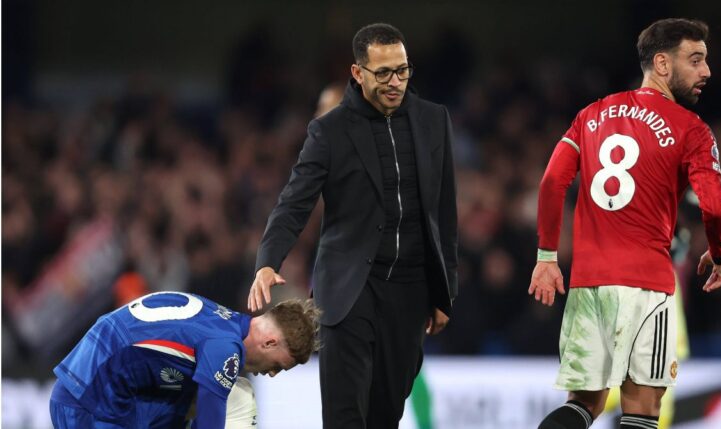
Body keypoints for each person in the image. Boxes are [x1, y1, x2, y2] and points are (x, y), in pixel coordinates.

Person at [247, 22, 458, 428]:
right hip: (348, 291)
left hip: (411, 291)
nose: (395, 81)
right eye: (383, 73)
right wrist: (268, 259)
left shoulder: (435, 120)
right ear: (358, 73)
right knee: (346, 415)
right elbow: (294, 202)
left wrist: (443, 288)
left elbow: (444, 212)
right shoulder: (328, 130)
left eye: (402, 70)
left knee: (386, 413)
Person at [528, 18, 721, 429]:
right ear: (661, 63)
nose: (706, 72)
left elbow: (552, 181)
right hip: (648, 285)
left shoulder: (590, 115)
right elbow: (714, 205)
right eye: (695, 60)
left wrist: (547, 256)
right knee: (642, 410)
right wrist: (718, 251)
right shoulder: (691, 129)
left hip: (589, 284)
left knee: (583, 405)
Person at [49, 292, 320, 428]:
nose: (272, 374)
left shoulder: (221, 321)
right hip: (89, 399)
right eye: (278, 366)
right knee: (234, 399)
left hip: (108, 391)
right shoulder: (225, 349)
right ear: (270, 342)